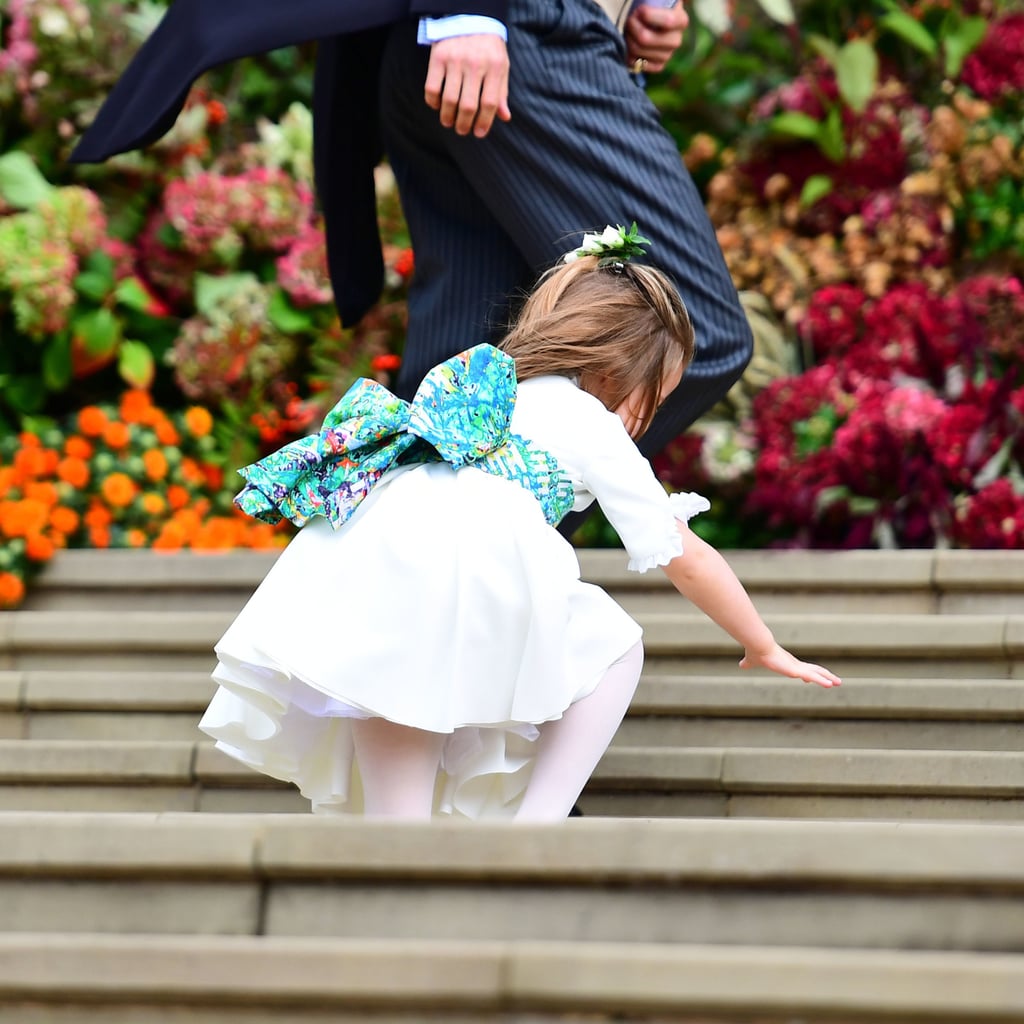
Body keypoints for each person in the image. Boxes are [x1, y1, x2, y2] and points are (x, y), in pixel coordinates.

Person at [199, 228, 839, 821]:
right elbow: (685, 555)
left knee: (392, 683)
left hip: (385, 543)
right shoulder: (591, 421)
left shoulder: (486, 389)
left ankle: (394, 843)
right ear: (619, 373)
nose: (646, 418)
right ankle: (538, 825)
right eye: (655, 396)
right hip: (474, 558)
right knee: (613, 644)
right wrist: (762, 643)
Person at [71, 0, 753, 466]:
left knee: (470, 369)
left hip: (488, 40)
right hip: (508, 36)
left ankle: (398, 613)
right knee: (678, 330)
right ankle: (448, 554)